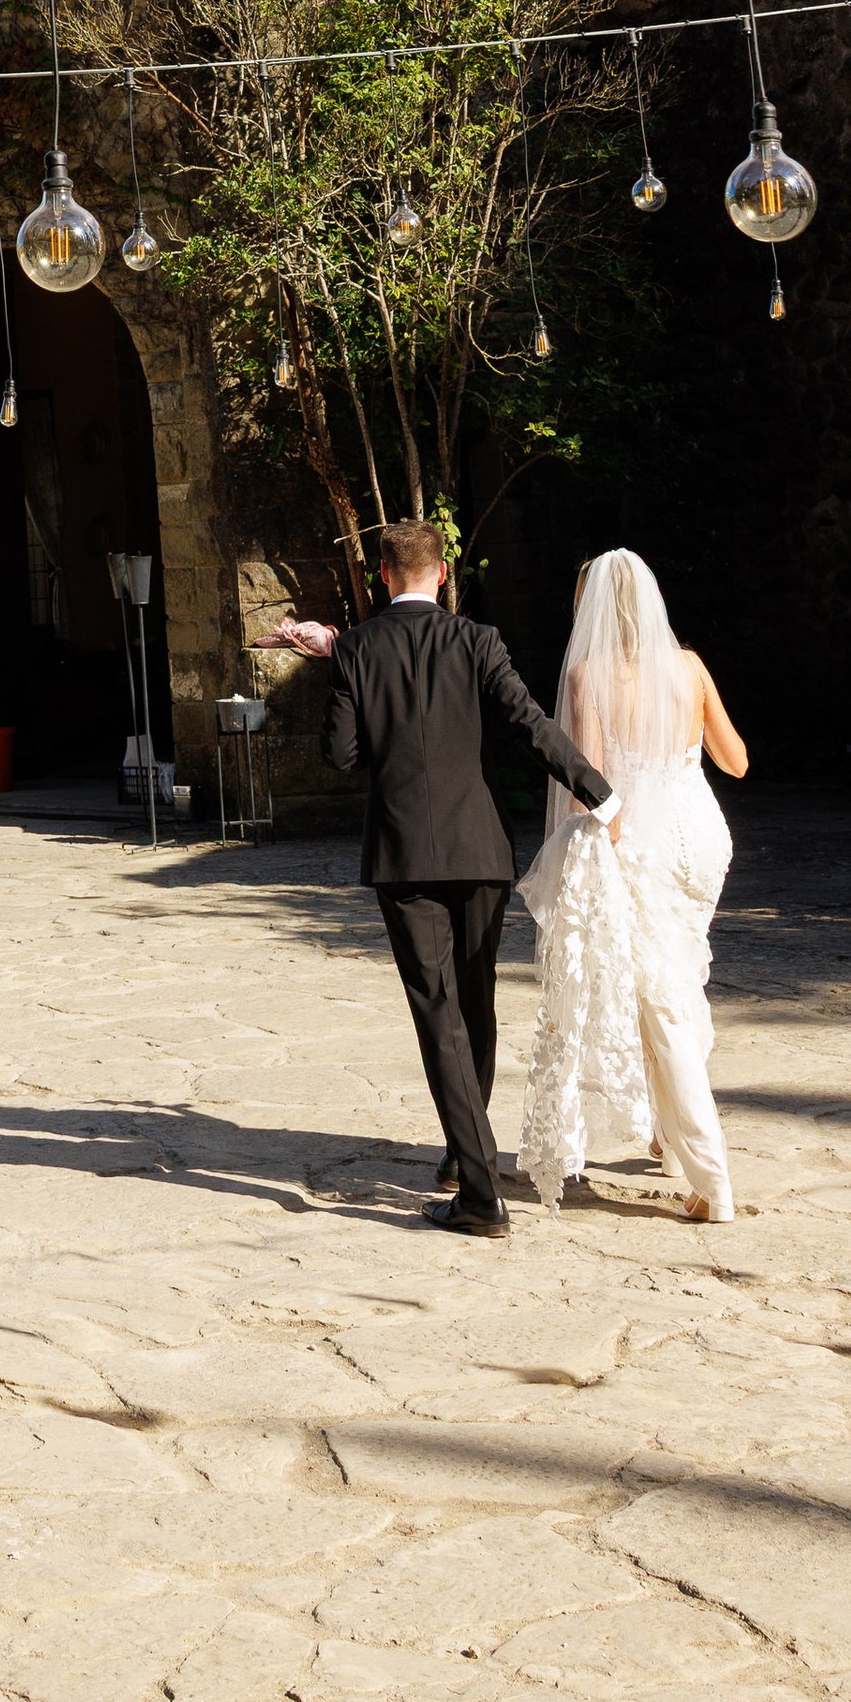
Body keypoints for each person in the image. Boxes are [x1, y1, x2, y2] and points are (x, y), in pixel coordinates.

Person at [314, 517, 610, 1240]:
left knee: (437, 1011)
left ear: (385, 575)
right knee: (474, 1004)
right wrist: (600, 790)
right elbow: (527, 721)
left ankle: (479, 1193)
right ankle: (461, 1153)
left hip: (406, 855)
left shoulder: (356, 648)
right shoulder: (478, 641)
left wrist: (340, 666)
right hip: (479, 851)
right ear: (440, 574)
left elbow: (341, 755)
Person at [516, 548, 746, 1223]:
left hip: (640, 843)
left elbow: (588, 793)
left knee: (664, 999)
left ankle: (712, 1176)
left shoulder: (588, 678)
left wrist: (574, 859)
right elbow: (735, 761)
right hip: (702, 841)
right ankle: (670, 1140)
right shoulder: (692, 667)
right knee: (675, 982)